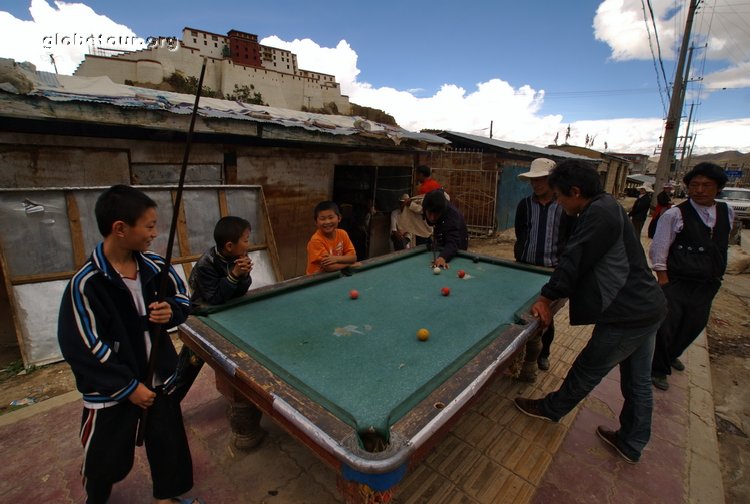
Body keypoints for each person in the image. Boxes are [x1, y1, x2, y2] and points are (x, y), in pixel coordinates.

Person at [514, 159, 666, 464]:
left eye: (559, 196)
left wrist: (546, 297)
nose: (557, 202)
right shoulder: (604, 205)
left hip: (627, 313)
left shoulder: (598, 213)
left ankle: (551, 409)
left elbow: (575, 258)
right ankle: (632, 442)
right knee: (637, 382)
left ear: (575, 191)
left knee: (587, 368)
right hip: (647, 307)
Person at [57, 185, 197, 504]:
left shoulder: (154, 266)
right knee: (105, 456)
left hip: (157, 376)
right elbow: (84, 345)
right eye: (148, 226)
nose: (154, 233)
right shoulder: (86, 283)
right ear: (120, 228)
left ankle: (167, 497)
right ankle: (97, 498)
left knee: (167, 440)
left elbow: (181, 298)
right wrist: (129, 387)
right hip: (112, 389)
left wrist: (170, 311)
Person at [649, 163, 733, 391]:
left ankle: (672, 354)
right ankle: (657, 368)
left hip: (707, 283)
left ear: (718, 188)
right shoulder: (676, 214)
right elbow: (659, 249)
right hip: (677, 281)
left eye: (706, 185)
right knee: (667, 326)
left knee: (694, 324)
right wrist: (663, 279)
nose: (699, 190)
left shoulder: (726, 211)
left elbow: (722, 242)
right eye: (694, 185)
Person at [514, 158, 575, 380]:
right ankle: (518, 354)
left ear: (552, 181)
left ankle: (543, 354)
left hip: (552, 271)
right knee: (523, 313)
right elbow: (522, 232)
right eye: (534, 180)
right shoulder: (524, 205)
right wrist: (521, 257)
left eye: (542, 179)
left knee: (545, 317)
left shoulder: (565, 206)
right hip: (525, 268)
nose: (537, 184)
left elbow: (570, 238)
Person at [189, 215, 253, 306]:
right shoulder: (205, 264)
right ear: (229, 246)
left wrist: (244, 274)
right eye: (246, 241)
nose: (248, 245)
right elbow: (214, 298)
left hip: (229, 303)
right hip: (204, 309)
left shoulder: (238, 255)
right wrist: (234, 275)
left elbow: (241, 292)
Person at [306, 200, 358, 275]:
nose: (327, 222)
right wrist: (349, 264)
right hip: (316, 280)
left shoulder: (343, 234)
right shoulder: (316, 240)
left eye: (331, 217)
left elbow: (353, 257)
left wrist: (335, 259)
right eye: (322, 219)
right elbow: (329, 267)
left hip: (335, 276)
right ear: (316, 222)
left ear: (339, 218)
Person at [421, 189, 468, 269]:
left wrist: (443, 257)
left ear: (442, 211)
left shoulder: (452, 216)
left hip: (459, 247)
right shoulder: (428, 204)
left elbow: (453, 241)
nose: (432, 218)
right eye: (429, 213)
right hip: (442, 243)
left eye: (436, 214)